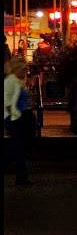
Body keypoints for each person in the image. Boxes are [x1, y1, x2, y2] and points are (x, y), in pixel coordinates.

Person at [4, 57, 34, 186]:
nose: (26, 72)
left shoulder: (16, 81)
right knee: (19, 147)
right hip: (16, 118)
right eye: (24, 69)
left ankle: (20, 175)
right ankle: (21, 177)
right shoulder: (11, 82)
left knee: (19, 147)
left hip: (19, 116)